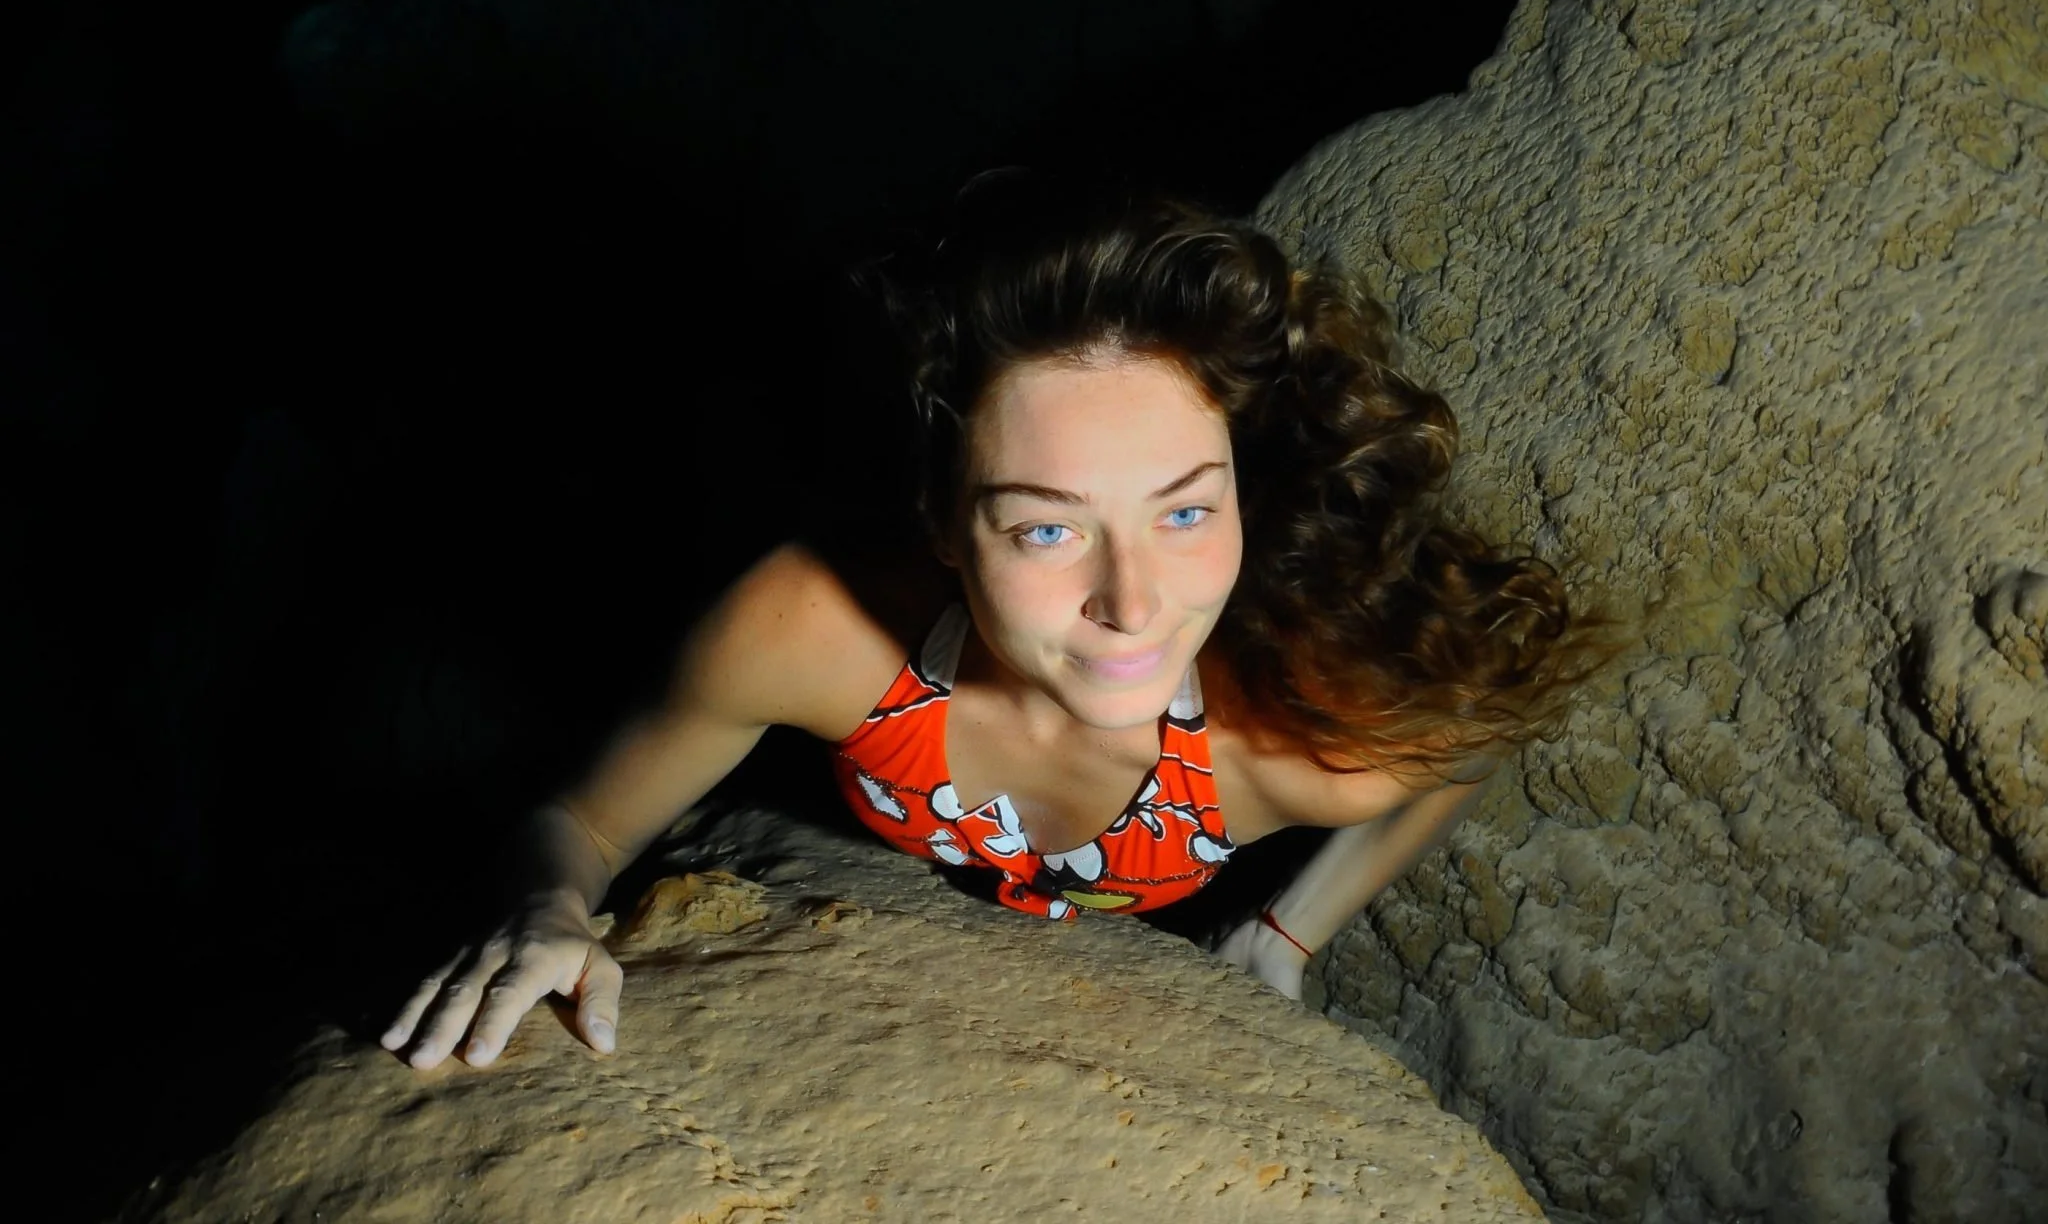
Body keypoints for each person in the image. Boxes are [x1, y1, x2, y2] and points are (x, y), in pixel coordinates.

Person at [382, 172, 1599, 1071]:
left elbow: (1470, 746)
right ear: (941, 522)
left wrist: (1285, 932)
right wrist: (549, 908)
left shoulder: (1297, 746)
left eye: (1184, 511)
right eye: (1045, 529)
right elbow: (583, 819)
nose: (1132, 602)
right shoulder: (805, 626)